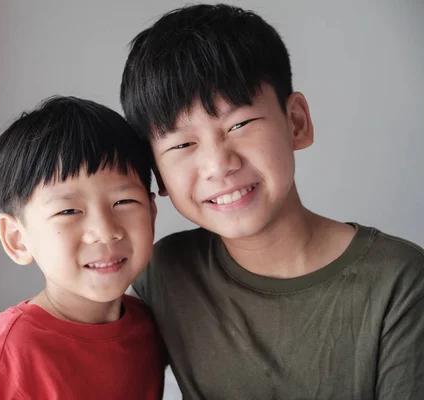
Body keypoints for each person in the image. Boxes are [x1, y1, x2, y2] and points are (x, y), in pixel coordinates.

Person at [120, 3, 424, 399]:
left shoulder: (399, 282)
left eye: (240, 124)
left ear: (296, 122)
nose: (219, 165)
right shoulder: (163, 273)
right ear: (156, 173)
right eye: (182, 144)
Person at [0, 96, 164, 399]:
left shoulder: (150, 326)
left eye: (124, 202)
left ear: (151, 214)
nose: (105, 231)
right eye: (68, 211)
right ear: (17, 238)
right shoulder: (3, 361)